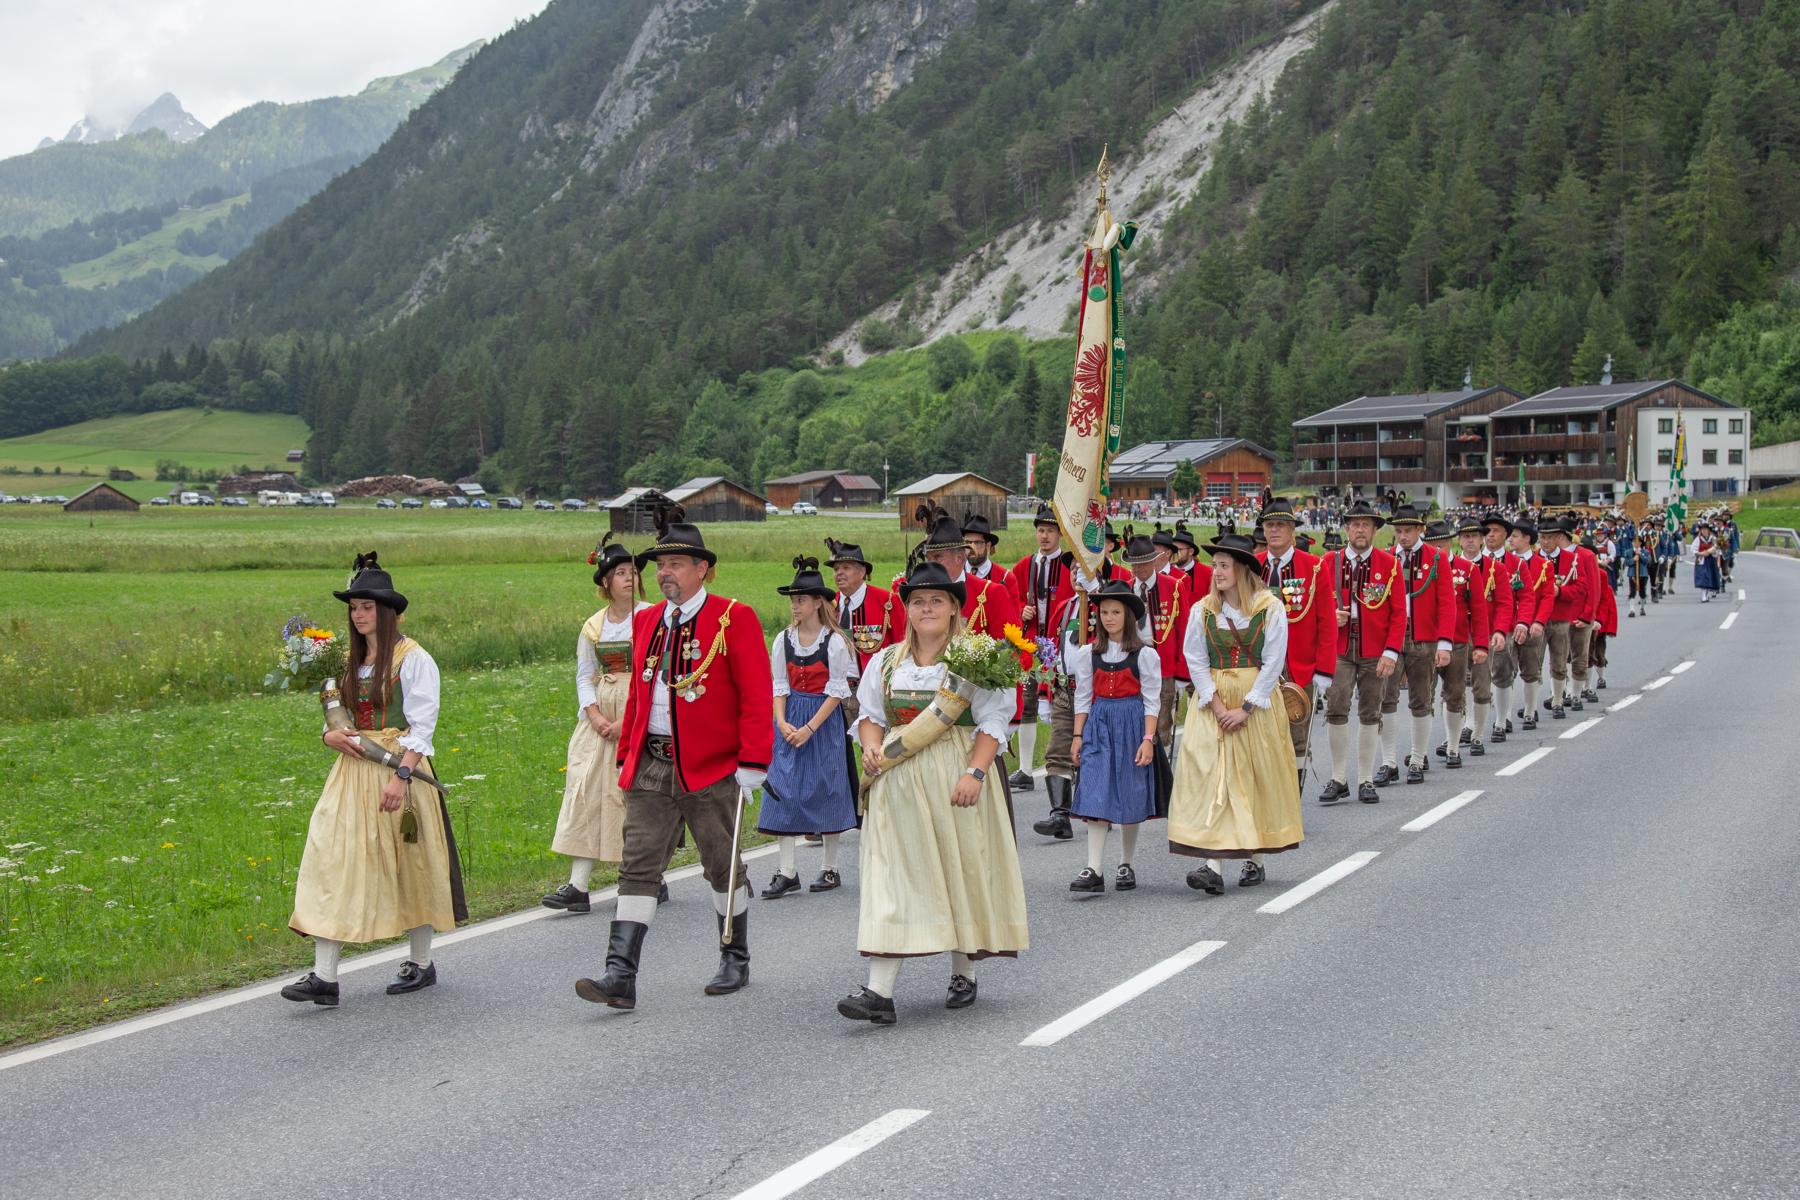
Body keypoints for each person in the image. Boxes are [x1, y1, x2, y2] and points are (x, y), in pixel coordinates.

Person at [575, 509, 774, 1011]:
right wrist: (627, 755)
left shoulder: (734, 617)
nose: (665, 573)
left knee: (721, 864)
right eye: (660, 565)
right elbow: (641, 698)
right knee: (637, 866)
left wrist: (753, 761)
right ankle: (620, 974)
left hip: (710, 766)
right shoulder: (647, 621)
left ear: (702, 569)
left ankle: (735, 954)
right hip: (651, 763)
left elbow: (755, 694)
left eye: (677, 564)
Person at [838, 562, 1029, 1026]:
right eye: (918, 601)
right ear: (907, 609)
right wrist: (869, 746)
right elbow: (870, 714)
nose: (927, 608)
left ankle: (964, 970)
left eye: (936, 601)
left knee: (957, 867)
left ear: (953, 609)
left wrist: (975, 773)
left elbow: (993, 721)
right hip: (897, 782)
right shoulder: (886, 661)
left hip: (952, 774)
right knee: (893, 877)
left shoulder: (974, 658)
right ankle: (879, 990)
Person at [284, 552, 466, 1006]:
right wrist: (330, 736)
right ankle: (324, 977)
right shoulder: (346, 661)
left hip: (399, 770)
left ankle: (421, 963)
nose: (359, 614)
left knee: (412, 865)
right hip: (351, 774)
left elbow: (424, 727)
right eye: (354, 607)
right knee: (332, 860)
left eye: (367, 607)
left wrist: (401, 777)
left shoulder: (415, 659)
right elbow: (336, 720)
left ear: (390, 613)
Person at [1169, 533, 1302, 893]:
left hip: (1255, 704)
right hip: (1214, 705)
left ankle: (1254, 858)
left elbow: (1273, 662)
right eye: (1215, 565)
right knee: (1213, 776)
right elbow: (1195, 659)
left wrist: (1245, 708)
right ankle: (1211, 865)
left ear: (1243, 570)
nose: (1217, 572)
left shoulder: (1269, 608)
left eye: (1225, 565)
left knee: (1251, 777)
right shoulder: (1203, 610)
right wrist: (1215, 705)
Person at [543, 535, 662, 915]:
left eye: (632, 573)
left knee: (635, 799)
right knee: (587, 793)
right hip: (599, 722)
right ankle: (578, 886)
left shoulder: (651, 618)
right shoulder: (593, 627)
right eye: (620, 573)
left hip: (640, 712)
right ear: (605, 582)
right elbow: (584, 675)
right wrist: (594, 715)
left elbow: (658, 673)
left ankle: (649, 877)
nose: (629, 578)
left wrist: (627, 721)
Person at [759, 557, 859, 898]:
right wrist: (782, 722)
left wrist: (810, 728)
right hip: (790, 718)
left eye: (800, 599)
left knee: (827, 787)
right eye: (792, 599)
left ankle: (829, 869)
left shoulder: (834, 642)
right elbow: (779, 685)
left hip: (823, 721)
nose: (794, 605)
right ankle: (787, 870)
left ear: (818, 601)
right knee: (783, 788)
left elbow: (836, 691)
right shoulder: (782, 640)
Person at [1067, 581, 1164, 894]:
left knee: (1129, 791)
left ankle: (1126, 862)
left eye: (1115, 612)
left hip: (1132, 724)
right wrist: (1078, 735)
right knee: (1094, 789)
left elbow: (1152, 700)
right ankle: (1094, 868)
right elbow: (1083, 697)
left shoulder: (1144, 654)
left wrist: (1148, 738)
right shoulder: (1088, 654)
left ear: (1129, 617)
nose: (1108, 618)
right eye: (1104, 612)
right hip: (1098, 723)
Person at [1318, 502, 1404, 805]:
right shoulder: (1329, 561)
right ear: (1346, 529)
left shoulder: (1389, 564)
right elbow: (1317, 605)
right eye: (1354, 524)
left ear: (1375, 530)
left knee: (1370, 711)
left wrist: (1391, 652)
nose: (1359, 530)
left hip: (1374, 649)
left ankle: (1366, 779)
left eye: (1365, 525)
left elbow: (1398, 613)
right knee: (1336, 707)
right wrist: (1332, 615)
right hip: (1340, 649)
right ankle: (1339, 778)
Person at [1256, 498, 1334, 792]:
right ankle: (1268, 798)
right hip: (1260, 665)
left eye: (1280, 525)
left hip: (1299, 666)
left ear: (1291, 529)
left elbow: (1326, 621)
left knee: (1298, 733)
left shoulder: (1313, 567)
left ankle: (1293, 798)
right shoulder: (1254, 567)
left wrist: (1323, 670)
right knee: (1262, 732)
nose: (1274, 531)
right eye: (1269, 525)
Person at [1380, 505, 1453, 785]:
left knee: (1421, 698)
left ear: (1419, 530)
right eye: (1398, 531)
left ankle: (1417, 757)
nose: (1402, 536)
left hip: (1424, 637)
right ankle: (1388, 761)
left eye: (1407, 530)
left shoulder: (1436, 559)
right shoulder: (1388, 559)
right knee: (1386, 697)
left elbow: (1446, 604)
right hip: (1393, 638)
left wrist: (1444, 643)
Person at [1006, 505, 1074, 795]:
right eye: (1040, 530)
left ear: (1060, 534)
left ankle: (1063, 763)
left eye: (1049, 531)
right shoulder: (1023, 567)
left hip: (1060, 647)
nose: (1044, 536)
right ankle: (1024, 769)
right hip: (1031, 645)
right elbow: (1013, 600)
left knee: (1064, 707)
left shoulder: (1070, 567)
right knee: (1029, 703)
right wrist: (1022, 611)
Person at [1425, 520, 1487, 770]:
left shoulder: (1466, 569)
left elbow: (1479, 610)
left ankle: (1452, 746)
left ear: (1450, 542)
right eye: (1432, 544)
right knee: (1424, 697)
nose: (1437, 548)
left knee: (1454, 693)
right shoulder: (1421, 569)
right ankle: (1421, 751)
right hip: (1426, 640)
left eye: (1441, 543)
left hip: (1458, 640)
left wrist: (1480, 644)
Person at [1122, 528, 1191, 751]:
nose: (1138, 569)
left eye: (1143, 563)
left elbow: (1184, 632)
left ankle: (1160, 775)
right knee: (1133, 723)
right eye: (1134, 564)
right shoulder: (1126, 589)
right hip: (1131, 665)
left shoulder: (1174, 587)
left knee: (1161, 725)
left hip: (1163, 665)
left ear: (1154, 561)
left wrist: (1182, 672)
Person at [825, 538, 905, 677]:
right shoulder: (829, 603)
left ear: (862, 572)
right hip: (833, 688)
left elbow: (903, 644)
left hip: (872, 688)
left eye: (846, 568)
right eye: (836, 569)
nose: (839, 573)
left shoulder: (887, 601)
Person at [1506, 518, 1554, 731]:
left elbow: (1546, 597)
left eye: (1515, 536)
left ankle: (1529, 710)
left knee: (1531, 669)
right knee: (1505, 671)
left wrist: (1539, 621)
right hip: (1508, 625)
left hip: (1532, 624)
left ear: (1527, 538)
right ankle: (1504, 715)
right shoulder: (1503, 563)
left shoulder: (1542, 565)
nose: (1511, 540)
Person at [1540, 517, 1590, 719]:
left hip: (1561, 617)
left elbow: (1581, 587)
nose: (1546, 542)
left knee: (1559, 661)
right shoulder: (1533, 559)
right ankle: (1530, 707)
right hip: (1537, 618)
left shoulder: (1572, 560)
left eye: (1550, 537)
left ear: (1558, 537)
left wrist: (1561, 592)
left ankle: (1558, 700)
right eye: (1542, 537)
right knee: (1533, 663)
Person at [1587, 536, 1617, 690]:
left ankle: (1601, 677)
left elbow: (1607, 602)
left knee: (1598, 653)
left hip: (1598, 621)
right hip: (1583, 620)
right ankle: (1584, 687)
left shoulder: (1602, 575)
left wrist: (1606, 625)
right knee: (1583, 655)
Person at [1692, 522, 1723, 600]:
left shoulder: (1713, 539)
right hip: (1701, 560)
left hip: (1711, 560)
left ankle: (1706, 594)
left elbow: (1718, 550)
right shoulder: (1698, 539)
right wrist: (1701, 553)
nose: (1704, 531)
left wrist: (1713, 552)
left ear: (1709, 530)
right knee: (1703, 577)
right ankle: (1703, 596)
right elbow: (1693, 550)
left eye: (1706, 529)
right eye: (1703, 529)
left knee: (1709, 577)